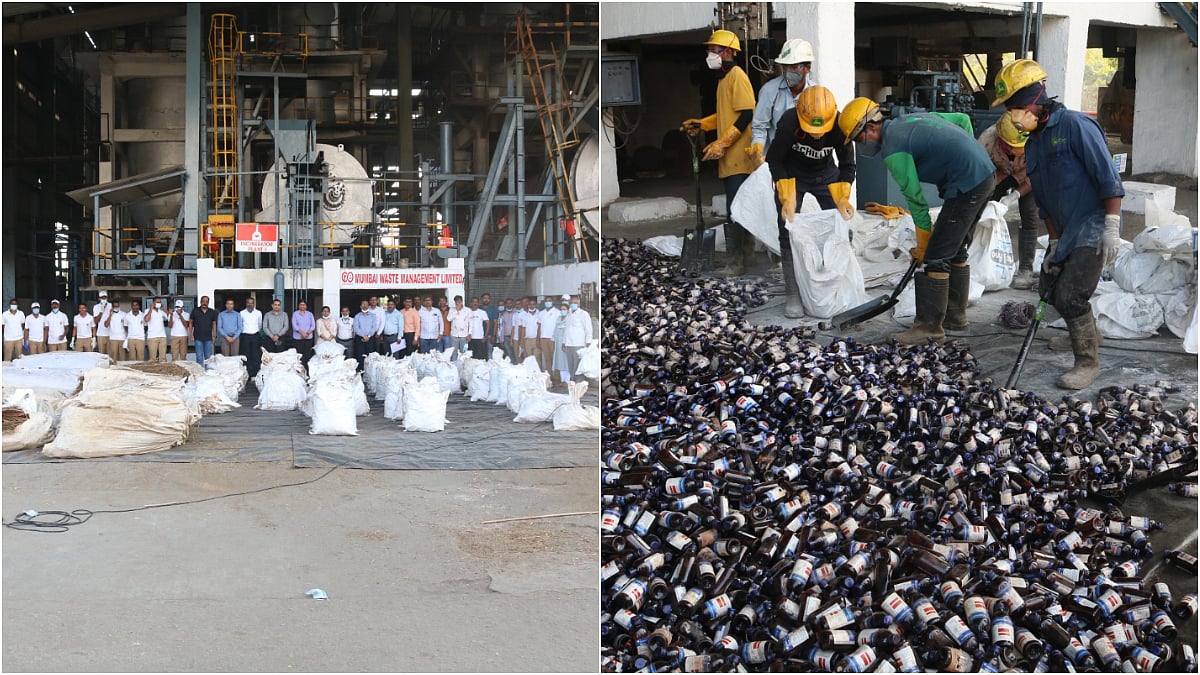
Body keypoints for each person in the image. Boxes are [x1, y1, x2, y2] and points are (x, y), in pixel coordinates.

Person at [994, 58, 1125, 390]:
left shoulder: (1076, 126)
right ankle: (1089, 333)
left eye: (1018, 107)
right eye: (1010, 109)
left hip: (1094, 224)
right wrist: (1053, 244)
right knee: (1048, 288)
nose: (1015, 115)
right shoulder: (1034, 143)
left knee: (1070, 295)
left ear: (1036, 98)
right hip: (1066, 231)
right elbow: (1044, 200)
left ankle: (1087, 362)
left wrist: (1111, 226)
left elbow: (1108, 177)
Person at [838, 98, 995, 345]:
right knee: (954, 248)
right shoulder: (910, 119)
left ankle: (928, 329)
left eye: (858, 139)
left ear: (870, 127)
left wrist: (923, 246)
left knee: (936, 256)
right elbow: (962, 120)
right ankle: (955, 317)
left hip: (967, 183)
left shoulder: (893, 149)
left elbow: (916, 201)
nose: (860, 145)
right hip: (984, 174)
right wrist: (967, 154)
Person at [767, 85, 857, 317]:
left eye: (821, 130)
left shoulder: (840, 125)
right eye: (812, 130)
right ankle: (793, 293)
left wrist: (843, 196)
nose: (817, 135)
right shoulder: (789, 123)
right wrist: (786, 197)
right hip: (793, 175)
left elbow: (848, 165)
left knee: (841, 225)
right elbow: (775, 160)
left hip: (826, 174)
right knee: (786, 228)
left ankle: (838, 283)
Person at [681, 29, 757, 277]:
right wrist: (702, 124)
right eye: (710, 50)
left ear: (729, 52)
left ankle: (737, 263)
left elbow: (746, 114)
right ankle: (745, 258)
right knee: (737, 209)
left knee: (737, 211)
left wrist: (722, 143)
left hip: (740, 159)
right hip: (729, 160)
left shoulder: (738, 77)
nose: (710, 55)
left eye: (715, 50)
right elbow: (726, 115)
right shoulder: (723, 81)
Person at [978, 111, 1043, 290]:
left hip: (1027, 176)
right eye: (1010, 147)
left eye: (1017, 147)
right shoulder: (987, 140)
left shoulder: (1038, 141)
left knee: (1030, 213)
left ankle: (1025, 268)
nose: (1014, 151)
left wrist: (1015, 195)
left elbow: (1036, 175)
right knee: (983, 210)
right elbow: (980, 172)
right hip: (997, 174)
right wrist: (991, 193)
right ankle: (978, 257)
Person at [747, 38, 816, 168]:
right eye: (785, 67)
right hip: (777, 162)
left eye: (794, 67)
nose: (788, 71)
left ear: (807, 68)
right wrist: (758, 147)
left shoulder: (816, 94)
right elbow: (760, 127)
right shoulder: (769, 91)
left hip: (806, 164)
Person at [563, 294, 593, 383]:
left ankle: (579, 383)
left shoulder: (583, 314)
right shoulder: (568, 314)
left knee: (578, 366)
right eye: (571, 303)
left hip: (579, 344)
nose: (573, 304)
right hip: (569, 344)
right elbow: (566, 329)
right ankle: (572, 382)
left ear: (579, 304)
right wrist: (564, 342)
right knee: (570, 365)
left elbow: (588, 329)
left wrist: (588, 342)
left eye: (575, 303)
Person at [190, 296, 217, 368]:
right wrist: (191, 334)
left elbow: (214, 324)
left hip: (208, 338)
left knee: (208, 357)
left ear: (208, 302)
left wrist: (214, 336)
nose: (204, 303)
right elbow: (191, 322)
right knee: (199, 357)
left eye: (206, 301)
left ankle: (207, 373)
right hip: (198, 337)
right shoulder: (195, 311)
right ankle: (200, 372)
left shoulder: (212, 312)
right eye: (203, 301)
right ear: (200, 302)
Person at [536, 296, 559, 372]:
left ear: (553, 302)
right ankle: (549, 375)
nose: (548, 302)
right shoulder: (541, 313)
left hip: (553, 339)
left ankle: (556, 376)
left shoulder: (557, 312)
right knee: (547, 358)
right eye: (546, 301)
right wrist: (538, 339)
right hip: (543, 339)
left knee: (554, 358)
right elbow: (539, 327)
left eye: (549, 301)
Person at [240, 297, 263, 375]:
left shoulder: (258, 313)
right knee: (246, 355)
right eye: (248, 303)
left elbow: (260, 324)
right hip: (245, 336)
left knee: (255, 355)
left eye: (251, 303)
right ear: (246, 303)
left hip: (255, 336)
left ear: (254, 304)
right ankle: (247, 374)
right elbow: (240, 324)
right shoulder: (242, 313)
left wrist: (256, 331)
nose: (250, 304)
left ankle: (255, 373)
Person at [143, 296, 169, 362]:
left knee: (163, 358)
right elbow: (146, 319)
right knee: (153, 358)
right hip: (152, 337)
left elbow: (169, 317)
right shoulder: (147, 311)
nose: (158, 304)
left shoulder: (161, 312)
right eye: (157, 302)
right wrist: (151, 309)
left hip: (162, 337)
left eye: (160, 302)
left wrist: (165, 309)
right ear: (153, 303)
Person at [551, 299, 569, 388]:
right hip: (558, 343)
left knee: (566, 362)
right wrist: (553, 339)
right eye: (561, 309)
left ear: (568, 310)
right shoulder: (558, 318)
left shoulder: (569, 319)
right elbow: (555, 330)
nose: (562, 311)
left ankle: (567, 381)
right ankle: (562, 380)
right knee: (560, 362)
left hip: (565, 343)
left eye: (564, 309)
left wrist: (565, 342)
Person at [352, 300, 376, 369]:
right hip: (360, 338)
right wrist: (363, 336)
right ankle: (361, 371)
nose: (364, 306)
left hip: (370, 338)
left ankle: (369, 371)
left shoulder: (373, 316)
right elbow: (356, 328)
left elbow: (374, 327)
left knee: (370, 356)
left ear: (368, 306)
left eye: (366, 304)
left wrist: (368, 336)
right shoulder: (357, 316)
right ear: (360, 306)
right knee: (360, 355)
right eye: (363, 304)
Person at [291, 300, 315, 366]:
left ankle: (306, 368)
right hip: (298, 338)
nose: (302, 306)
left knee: (307, 354)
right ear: (298, 306)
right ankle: (300, 368)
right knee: (299, 354)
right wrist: (302, 333)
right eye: (301, 305)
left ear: (306, 306)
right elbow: (294, 326)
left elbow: (313, 326)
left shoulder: (310, 314)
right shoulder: (295, 314)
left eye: (304, 305)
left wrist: (306, 334)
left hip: (308, 338)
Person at [93, 290, 112, 355]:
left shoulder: (111, 305)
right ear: (99, 298)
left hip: (110, 334)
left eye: (105, 297)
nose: (103, 299)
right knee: (101, 355)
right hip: (100, 334)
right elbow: (96, 321)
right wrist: (101, 310)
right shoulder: (96, 307)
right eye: (102, 298)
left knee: (110, 354)